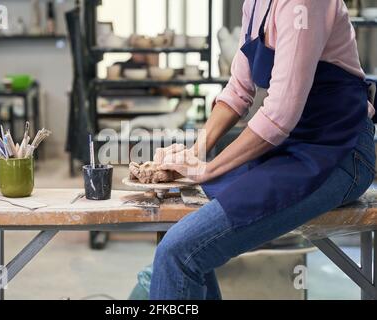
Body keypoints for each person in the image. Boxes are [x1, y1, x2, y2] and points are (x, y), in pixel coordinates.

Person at [149, 0, 376, 300]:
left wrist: (208, 169)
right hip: (291, 148)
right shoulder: (255, 3)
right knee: (186, 241)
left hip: (340, 152)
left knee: (177, 252)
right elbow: (239, 89)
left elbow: (280, 114)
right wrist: (196, 151)